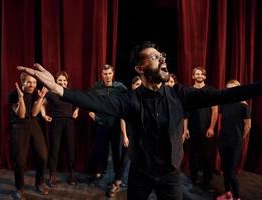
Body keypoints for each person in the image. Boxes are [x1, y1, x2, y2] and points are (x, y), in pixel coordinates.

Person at [17, 42, 262, 200]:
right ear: (140, 69)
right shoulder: (129, 100)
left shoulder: (180, 95)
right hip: (141, 174)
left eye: (161, 55)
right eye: (155, 57)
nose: (162, 59)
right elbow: (94, 102)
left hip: (171, 175)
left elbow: (223, 95)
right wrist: (59, 90)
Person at [8, 73, 49, 200]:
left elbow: (35, 112)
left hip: (34, 124)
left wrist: (41, 98)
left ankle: (39, 183)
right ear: (22, 82)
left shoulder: (36, 93)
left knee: (43, 156)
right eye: (29, 82)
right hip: (19, 126)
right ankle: (19, 188)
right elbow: (21, 115)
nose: (32, 85)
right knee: (20, 160)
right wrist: (20, 98)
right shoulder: (13, 95)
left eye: (34, 82)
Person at [87, 64, 127, 189]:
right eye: (105, 74)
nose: (107, 76)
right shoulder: (96, 87)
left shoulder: (120, 88)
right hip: (101, 124)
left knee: (116, 152)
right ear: (102, 75)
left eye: (109, 73)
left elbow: (127, 102)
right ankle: (98, 174)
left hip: (115, 124)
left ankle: (117, 177)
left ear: (113, 73)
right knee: (100, 150)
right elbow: (88, 100)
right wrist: (92, 114)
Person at [41, 71, 79, 187]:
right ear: (56, 81)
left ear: (67, 82)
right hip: (56, 122)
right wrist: (43, 115)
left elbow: (79, 103)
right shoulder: (51, 93)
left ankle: (72, 172)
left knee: (70, 148)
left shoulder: (70, 92)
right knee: (54, 149)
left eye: (64, 80)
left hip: (69, 122)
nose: (62, 82)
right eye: (60, 80)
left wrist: (76, 110)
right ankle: (52, 174)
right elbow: (42, 104)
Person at [107, 75, 142, 197]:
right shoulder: (128, 98)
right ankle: (117, 183)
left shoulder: (147, 98)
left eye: (141, 84)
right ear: (132, 86)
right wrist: (125, 136)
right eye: (137, 84)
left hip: (143, 135)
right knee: (125, 159)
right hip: (130, 134)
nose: (139, 87)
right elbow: (122, 119)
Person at [185, 67, 218, 190]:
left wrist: (211, 127)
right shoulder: (188, 91)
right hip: (192, 129)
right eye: (196, 74)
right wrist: (186, 128)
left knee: (207, 156)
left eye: (201, 74)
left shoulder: (211, 90)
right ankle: (193, 178)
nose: (199, 76)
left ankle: (207, 180)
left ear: (204, 76)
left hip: (206, 129)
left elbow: (215, 110)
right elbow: (186, 110)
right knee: (192, 155)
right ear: (193, 76)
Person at [218, 80, 251, 200]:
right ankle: (228, 193)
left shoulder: (244, 106)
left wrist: (239, 138)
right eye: (229, 89)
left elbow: (248, 126)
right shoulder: (224, 104)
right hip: (222, 141)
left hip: (235, 142)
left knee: (231, 172)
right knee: (225, 170)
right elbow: (223, 120)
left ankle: (237, 197)